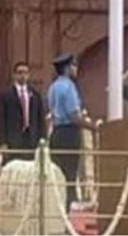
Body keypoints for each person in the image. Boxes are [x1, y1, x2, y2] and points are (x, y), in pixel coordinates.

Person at [47, 53, 94, 210]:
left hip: (56, 132)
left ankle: (56, 214)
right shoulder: (69, 87)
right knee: (68, 177)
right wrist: (93, 127)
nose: (76, 69)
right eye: (74, 65)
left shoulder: (53, 87)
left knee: (57, 177)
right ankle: (65, 217)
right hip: (69, 134)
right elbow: (74, 116)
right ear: (67, 68)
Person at [0, 61, 45, 161]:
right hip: (13, 141)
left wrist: (43, 139)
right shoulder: (5, 95)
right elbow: (1, 120)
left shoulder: (35, 95)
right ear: (14, 75)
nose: (23, 76)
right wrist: (2, 143)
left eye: (25, 73)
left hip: (32, 140)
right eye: (20, 72)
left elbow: (40, 119)